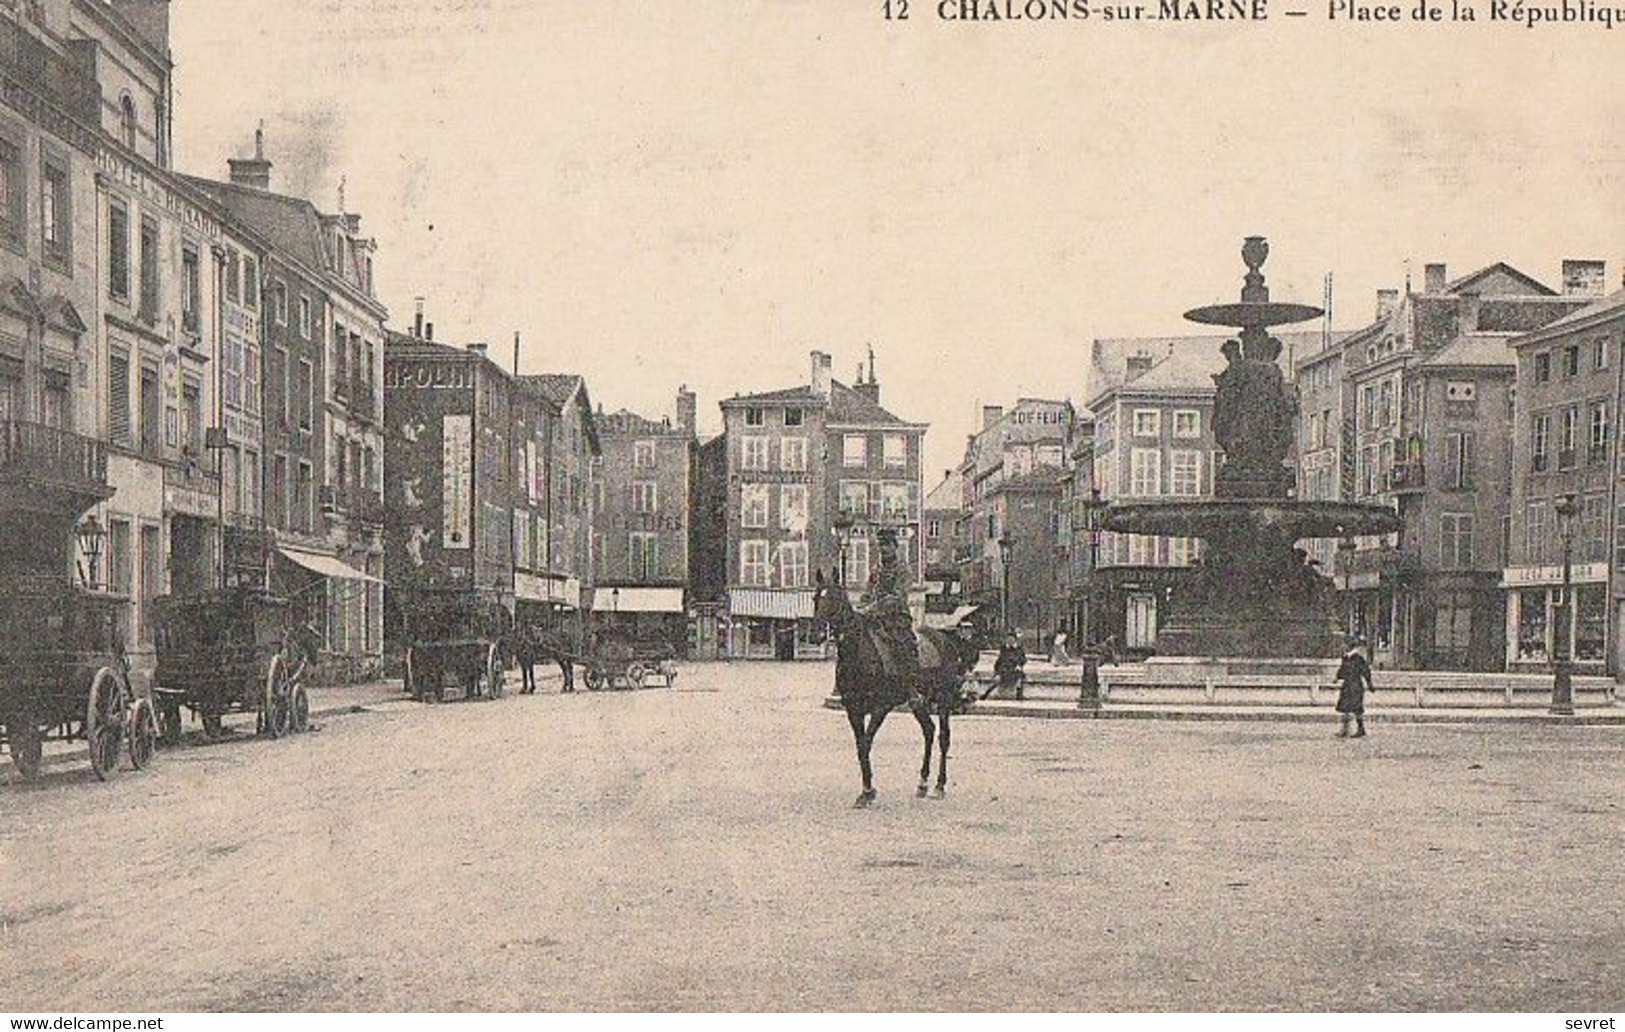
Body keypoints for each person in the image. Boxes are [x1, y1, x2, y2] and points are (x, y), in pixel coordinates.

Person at [857, 528, 922, 705]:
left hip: (896, 617)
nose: (884, 550)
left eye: (887, 546)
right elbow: (868, 592)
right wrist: (861, 607)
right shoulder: (876, 569)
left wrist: (871, 608)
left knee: (902, 645)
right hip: (874, 616)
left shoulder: (903, 569)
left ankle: (911, 689)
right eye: (881, 546)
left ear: (895, 547)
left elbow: (897, 596)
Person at [1334, 634, 1375, 738]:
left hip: (1355, 685)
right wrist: (1338, 677)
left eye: (1345, 645)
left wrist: (1370, 684)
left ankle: (1361, 729)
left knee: (1356, 709)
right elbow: (1342, 670)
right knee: (1345, 708)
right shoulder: (1346, 657)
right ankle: (1344, 729)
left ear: (1349, 646)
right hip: (1347, 685)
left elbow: (1365, 671)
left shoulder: (1358, 658)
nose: (1343, 647)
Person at [992, 632, 1028, 701]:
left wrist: (1019, 665)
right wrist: (997, 672)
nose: (1010, 640)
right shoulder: (1004, 648)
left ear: (1015, 639)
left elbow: (1023, 659)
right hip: (1005, 669)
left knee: (1019, 677)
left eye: (1012, 639)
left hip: (1015, 669)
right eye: (1008, 639)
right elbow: (1000, 660)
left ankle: (1019, 694)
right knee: (998, 677)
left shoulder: (1019, 648)